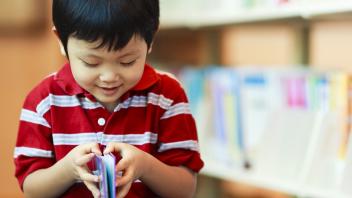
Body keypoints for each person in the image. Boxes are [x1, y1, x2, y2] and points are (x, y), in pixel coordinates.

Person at [14, 0, 204, 197]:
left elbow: (185, 190)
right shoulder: (43, 101)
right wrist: (67, 169)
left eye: (127, 61)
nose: (109, 77)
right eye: (91, 63)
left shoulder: (167, 96)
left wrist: (146, 166)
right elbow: (31, 190)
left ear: (151, 38)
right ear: (61, 40)